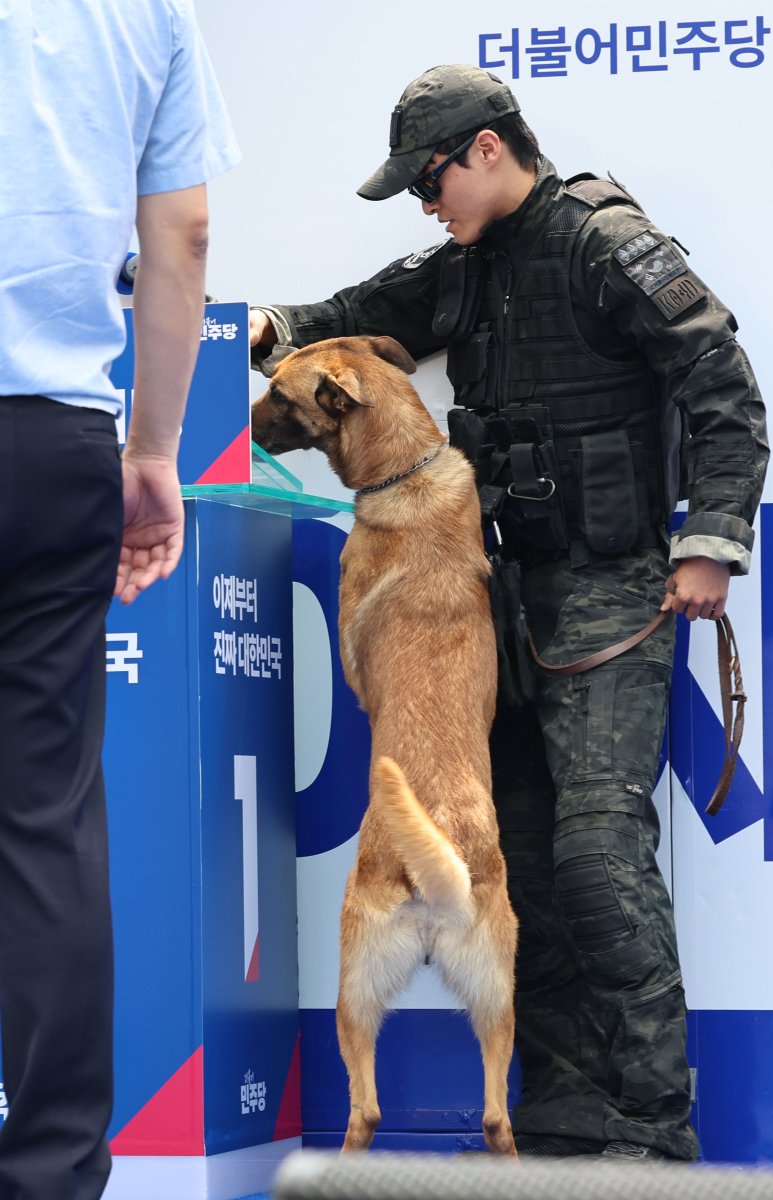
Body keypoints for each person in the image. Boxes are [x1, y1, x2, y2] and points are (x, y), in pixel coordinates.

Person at [249, 64, 768, 1162]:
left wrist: (711, 540)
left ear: (487, 149)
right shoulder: (464, 264)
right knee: (518, 858)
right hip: (497, 592)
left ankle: (649, 1122)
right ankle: (566, 1105)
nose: (421, 203)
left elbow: (718, 378)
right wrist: (270, 325)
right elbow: (354, 318)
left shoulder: (601, 238)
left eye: (427, 179)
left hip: (610, 589)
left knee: (591, 852)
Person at [0, 4, 240, 1197]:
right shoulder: (142, 6)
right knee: (41, 822)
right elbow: (182, 234)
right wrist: (153, 448)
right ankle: (49, 1176)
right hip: (51, 440)